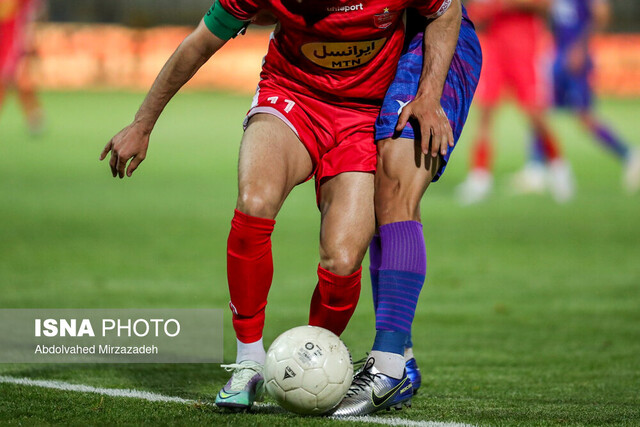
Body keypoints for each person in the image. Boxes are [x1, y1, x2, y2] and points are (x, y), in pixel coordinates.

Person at [100, 0, 455, 413]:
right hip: (291, 98)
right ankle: (248, 360)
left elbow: (446, 11)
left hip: (362, 117)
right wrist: (142, 124)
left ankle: (311, 359)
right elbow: (199, 42)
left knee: (342, 260)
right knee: (255, 200)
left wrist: (429, 95)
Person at [332, 1, 482, 416]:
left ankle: (387, 368)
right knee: (378, 195)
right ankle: (402, 359)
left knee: (397, 186)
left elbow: (445, 9)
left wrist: (429, 96)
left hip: (431, 39)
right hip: (377, 44)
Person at [457, 0, 574, 204]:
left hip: (525, 49)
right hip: (496, 49)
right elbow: (475, 12)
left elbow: (546, 5)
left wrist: (505, 4)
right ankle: (480, 177)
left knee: (535, 114)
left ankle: (559, 168)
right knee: (485, 111)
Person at [524, 0, 640, 193]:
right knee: (540, 109)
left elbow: (602, 14)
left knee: (584, 117)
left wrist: (582, 47)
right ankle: (536, 169)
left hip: (577, 59)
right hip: (558, 56)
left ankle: (630, 155)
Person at [0, 0, 44, 134]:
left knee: (8, 80)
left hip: (12, 41)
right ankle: (35, 114)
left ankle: (35, 114)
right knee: (17, 82)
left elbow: (32, 12)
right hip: (5, 39)